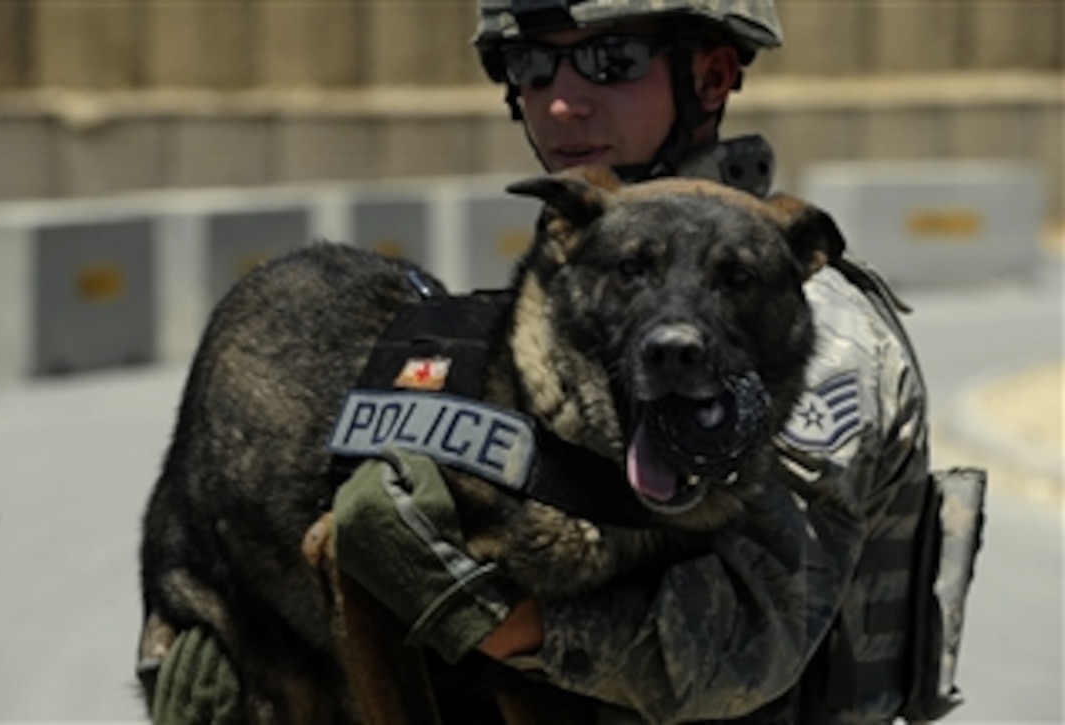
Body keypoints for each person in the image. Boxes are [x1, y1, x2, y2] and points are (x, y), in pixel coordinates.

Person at [144, 1, 985, 722]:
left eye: (609, 62)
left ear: (715, 76)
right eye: (532, 68)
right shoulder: (567, 305)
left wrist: (496, 621)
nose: (560, 105)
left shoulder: (799, 326)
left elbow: (747, 636)